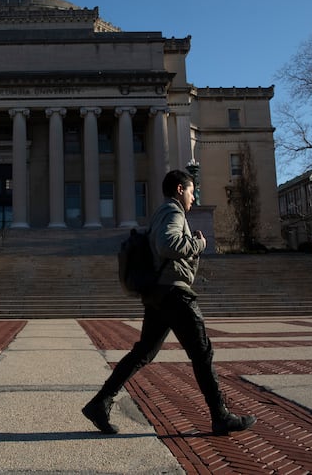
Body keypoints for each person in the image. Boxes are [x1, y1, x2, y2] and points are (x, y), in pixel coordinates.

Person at [82, 169, 256, 436]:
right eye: (191, 190)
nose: (193, 197)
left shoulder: (164, 213)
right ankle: (220, 415)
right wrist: (197, 243)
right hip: (174, 293)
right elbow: (167, 244)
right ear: (179, 189)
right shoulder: (173, 212)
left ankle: (100, 402)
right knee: (202, 353)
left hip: (160, 295)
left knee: (143, 353)